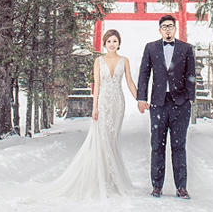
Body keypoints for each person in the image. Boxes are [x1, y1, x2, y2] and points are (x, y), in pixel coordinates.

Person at [49, 29, 139, 198]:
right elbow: (96, 85)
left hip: (118, 103)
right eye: (109, 41)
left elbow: (130, 83)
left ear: (119, 43)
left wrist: (140, 99)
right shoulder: (99, 61)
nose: (112, 44)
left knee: (112, 139)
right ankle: (100, 178)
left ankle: (112, 178)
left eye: (115, 41)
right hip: (103, 103)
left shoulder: (124, 61)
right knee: (102, 139)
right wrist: (94, 107)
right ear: (104, 43)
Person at [137, 14, 197, 199]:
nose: (168, 29)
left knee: (179, 146)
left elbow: (191, 73)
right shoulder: (151, 48)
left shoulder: (186, 48)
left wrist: (190, 97)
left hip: (180, 103)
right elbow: (144, 73)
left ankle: (181, 187)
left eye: (171, 26)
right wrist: (141, 97)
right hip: (158, 103)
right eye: (164, 26)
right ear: (160, 29)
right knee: (157, 145)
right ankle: (157, 186)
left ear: (175, 28)